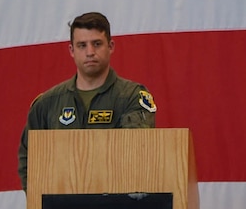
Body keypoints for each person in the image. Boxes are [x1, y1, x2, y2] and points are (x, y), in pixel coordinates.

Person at [19, 12, 156, 187]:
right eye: (82, 45)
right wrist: (43, 203)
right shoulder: (47, 104)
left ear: (111, 46)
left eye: (97, 44)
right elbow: (28, 160)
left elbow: (136, 154)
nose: (90, 52)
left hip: (117, 207)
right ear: (71, 50)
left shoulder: (132, 98)